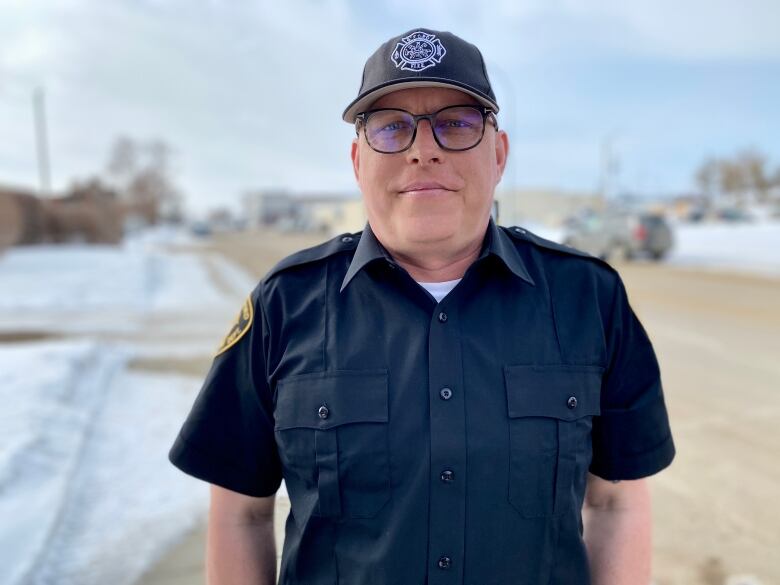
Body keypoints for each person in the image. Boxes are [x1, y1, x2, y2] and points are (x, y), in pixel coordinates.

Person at [169, 27, 675, 585]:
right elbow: (242, 511)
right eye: (392, 128)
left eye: (456, 123)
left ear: (499, 154)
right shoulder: (285, 303)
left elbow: (615, 504)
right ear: (359, 160)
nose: (423, 149)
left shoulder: (588, 298)